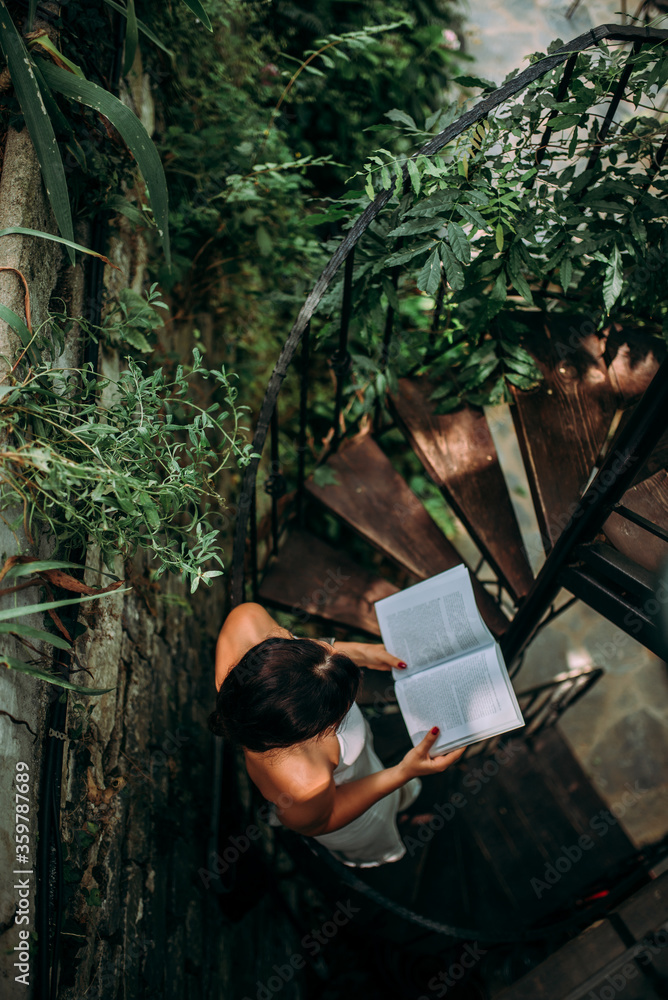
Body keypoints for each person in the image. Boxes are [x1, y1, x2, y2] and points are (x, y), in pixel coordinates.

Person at [208, 602, 465, 867]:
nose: (331, 648)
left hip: (358, 764)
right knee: (382, 816)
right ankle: (398, 820)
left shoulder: (247, 624)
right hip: (349, 796)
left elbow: (308, 662)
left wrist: (355, 655)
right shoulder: (303, 783)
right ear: (310, 730)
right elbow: (325, 819)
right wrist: (403, 772)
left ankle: (402, 802)